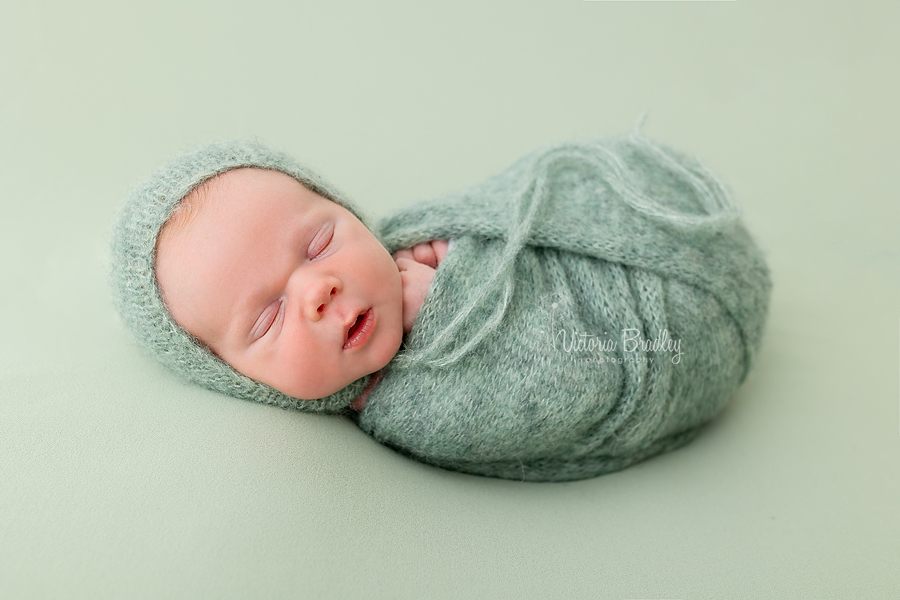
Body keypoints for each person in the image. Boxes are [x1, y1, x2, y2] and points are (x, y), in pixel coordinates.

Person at [110, 129, 770, 481]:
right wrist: (459, 292)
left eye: (320, 242)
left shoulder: (398, 241)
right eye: (267, 318)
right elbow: (572, 382)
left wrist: (453, 249)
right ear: (242, 382)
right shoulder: (409, 413)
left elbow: (495, 209)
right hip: (679, 334)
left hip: (656, 218)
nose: (319, 289)